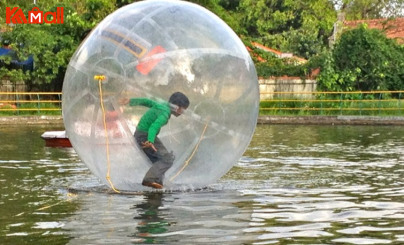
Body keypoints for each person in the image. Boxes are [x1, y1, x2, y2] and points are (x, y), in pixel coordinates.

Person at [120, 92, 190, 189]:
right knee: (168, 159)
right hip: (145, 137)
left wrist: (130, 101)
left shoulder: (162, 104)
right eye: (183, 110)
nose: (182, 113)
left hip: (140, 135)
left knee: (160, 159)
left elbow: (146, 101)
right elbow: (153, 127)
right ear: (177, 107)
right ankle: (150, 179)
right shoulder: (165, 114)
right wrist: (150, 141)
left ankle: (157, 183)